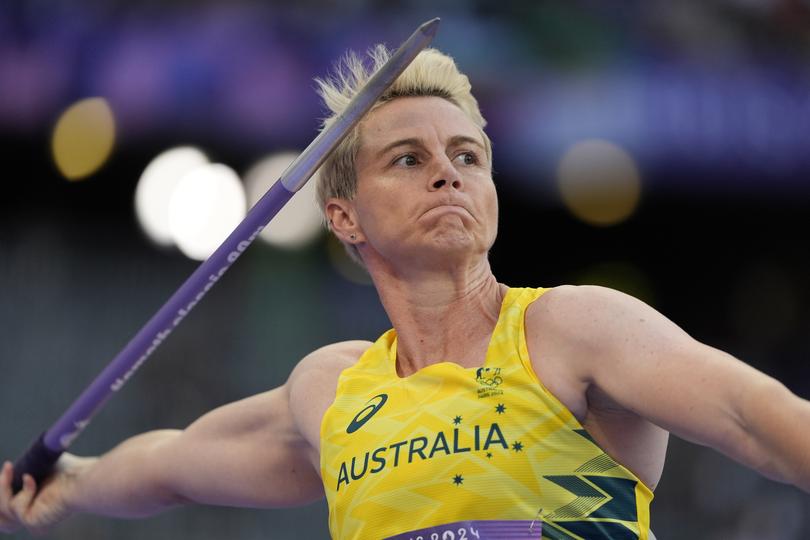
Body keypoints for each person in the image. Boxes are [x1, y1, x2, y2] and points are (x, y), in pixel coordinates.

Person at [1, 45, 809, 540]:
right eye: (408, 159)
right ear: (343, 214)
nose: (448, 171)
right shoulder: (331, 388)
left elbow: (760, 421)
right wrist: (70, 483)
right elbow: (174, 464)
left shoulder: (570, 329)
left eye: (467, 155)